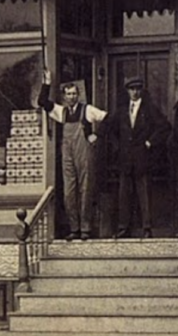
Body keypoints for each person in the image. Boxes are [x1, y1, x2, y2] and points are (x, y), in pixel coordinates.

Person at [38, 79, 107, 241]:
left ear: (79, 95)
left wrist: (96, 135)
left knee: (86, 188)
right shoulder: (61, 112)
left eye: (74, 94)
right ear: (64, 96)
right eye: (68, 94)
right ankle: (74, 228)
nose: (71, 97)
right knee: (69, 191)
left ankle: (85, 228)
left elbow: (107, 118)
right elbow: (42, 101)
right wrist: (47, 82)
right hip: (67, 153)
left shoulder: (87, 110)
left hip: (84, 153)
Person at [113, 76, 169, 239]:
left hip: (143, 159)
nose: (135, 92)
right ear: (127, 91)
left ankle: (147, 227)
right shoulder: (122, 110)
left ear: (141, 90)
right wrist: (118, 148)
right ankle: (123, 228)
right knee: (124, 195)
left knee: (144, 194)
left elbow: (164, 127)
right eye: (132, 89)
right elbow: (111, 129)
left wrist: (149, 143)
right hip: (125, 160)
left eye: (137, 89)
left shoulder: (149, 109)